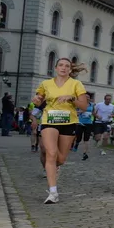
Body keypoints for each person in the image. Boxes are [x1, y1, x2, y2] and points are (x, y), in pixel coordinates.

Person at [32, 58, 89, 204]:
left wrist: (71, 99)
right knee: (51, 153)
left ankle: (51, 164)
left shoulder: (76, 84)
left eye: (67, 66)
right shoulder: (46, 84)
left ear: (70, 70)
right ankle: (53, 192)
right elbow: (38, 100)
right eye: (61, 65)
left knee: (60, 159)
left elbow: (83, 106)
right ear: (55, 68)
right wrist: (36, 100)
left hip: (68, 121)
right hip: (49, 120)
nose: (63, 68)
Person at [76, 94, 95, 160]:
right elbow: (75, 112)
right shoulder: (79, 104)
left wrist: (96, 116)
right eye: (86, 97)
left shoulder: (92, 105)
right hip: (80, 123)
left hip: (89, 124)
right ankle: (76, 143)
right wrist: (80, 111)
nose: (87, 98)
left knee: (86, 139)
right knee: (78, 137)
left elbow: (93, 113)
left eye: (88, 97)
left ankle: (85, 154)